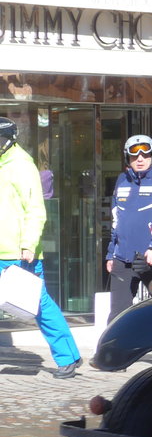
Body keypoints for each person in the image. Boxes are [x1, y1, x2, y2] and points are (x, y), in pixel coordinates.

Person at [0, 116, 82, 378]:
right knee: (39, 304)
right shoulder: (3, 164)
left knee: (39, 305)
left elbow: (35, 210)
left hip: (17, 252)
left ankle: (68, 357)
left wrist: (28, 244)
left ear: (9, 140)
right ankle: (69, 356)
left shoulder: (21, 165)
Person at [106, 134, 152, 322]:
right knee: (117, 317)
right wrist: (110, 254)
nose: (140, 159)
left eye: (145, 154)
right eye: (134, 156)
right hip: (123, 258)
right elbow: (116, 220)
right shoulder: (122, 180)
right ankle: (113, 352)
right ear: (127, 158)